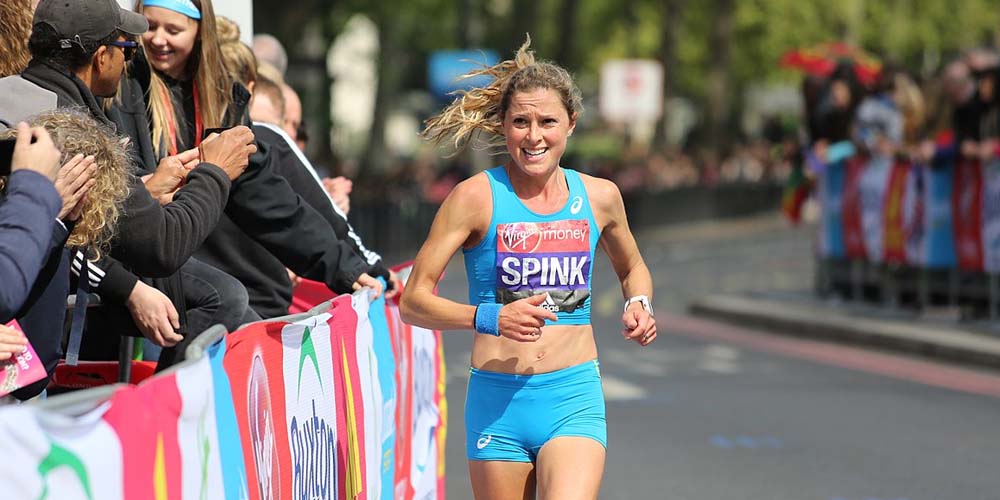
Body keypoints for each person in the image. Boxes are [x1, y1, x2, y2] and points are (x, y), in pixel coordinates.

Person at [399, 38, 656, 499]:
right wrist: (490, 317)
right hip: (497, 403)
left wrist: (639, 302)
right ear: (503, 125)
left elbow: (632, 266)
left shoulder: (600, 197)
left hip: (572, 396)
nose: (534, 136)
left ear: (571, 123)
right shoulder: (474, 198)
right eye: (521, 122)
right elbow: (413, 301)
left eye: (547, 122)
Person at [117, 0, 381, 316]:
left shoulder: (223, 100)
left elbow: (266, 198)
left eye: (173, 30)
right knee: (226, 300)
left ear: (201, 32)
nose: (159, 39)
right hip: (139, 256)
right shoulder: (120, 86)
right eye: (150, 26)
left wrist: (342, 266)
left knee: (238, 310)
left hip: (195, 266)